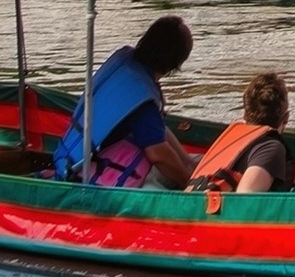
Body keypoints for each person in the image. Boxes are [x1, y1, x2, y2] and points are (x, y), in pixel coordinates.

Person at [53, 14, 198, 188]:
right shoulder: (141, 98)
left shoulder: (129, 68)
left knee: (198, 162)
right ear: (176, 64)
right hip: (95, 173)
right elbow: (158, 153)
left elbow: (157, 130)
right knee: (163, 189)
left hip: (76, 156)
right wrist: (191, 186)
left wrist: (188, 163)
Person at [197, 72, 295, 195]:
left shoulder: (232, 140)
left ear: (245, 115)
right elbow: (245, 197)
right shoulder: (272, 148)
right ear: (286, 118)